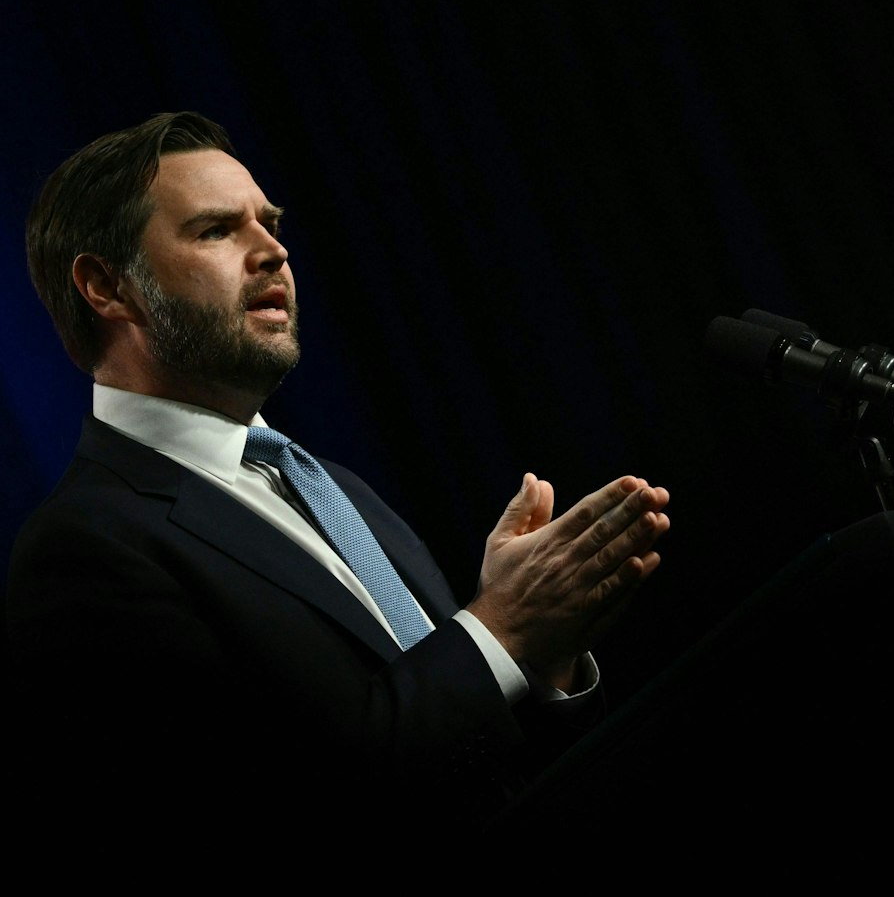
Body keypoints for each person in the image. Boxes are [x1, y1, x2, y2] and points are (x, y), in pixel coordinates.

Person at [6, 111, 671, 838]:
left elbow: (476, 757)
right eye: (217, 230)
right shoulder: (84, 548)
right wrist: (500, 627)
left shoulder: (334, 487)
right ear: (107, 286)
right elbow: (293, 808)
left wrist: (542, 658)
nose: (274, 252)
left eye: (271, 222)